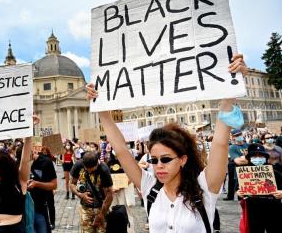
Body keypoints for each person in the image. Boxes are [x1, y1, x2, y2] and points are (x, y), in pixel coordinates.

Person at [86, 54, 247, 232]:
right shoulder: (150, 188)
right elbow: (122, 150)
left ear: (183, 159)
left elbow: (220, 143)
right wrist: (100, 108)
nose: (158, 166)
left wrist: (231, 87)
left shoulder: (205, 188)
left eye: (165, 159)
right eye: (154, 160)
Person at [236, 143, 282, 232]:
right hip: (253, 210)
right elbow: (238, 190)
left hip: (274, 209)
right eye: (254, 156)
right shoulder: (244, 173)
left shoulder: (276, 171)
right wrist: (239, 193)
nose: (258, 158)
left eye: (260, 155)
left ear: (265, 157)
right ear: (249, 158)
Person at [70, 151, 113, 233]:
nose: (89, 172)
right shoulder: (78, 165)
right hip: (85, 209)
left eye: (92, 170)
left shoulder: (104, 169)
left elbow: (109, 195)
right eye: (87, 169)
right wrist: (81, 195)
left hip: (101, 208)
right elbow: (71, 184)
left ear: (97, 164)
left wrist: (101, 214)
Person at [29, 147, 58, 233]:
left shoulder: (46, 162)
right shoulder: (20, 163)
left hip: (41, 204)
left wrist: (36, 184)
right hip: (27, 206)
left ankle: (52, 222)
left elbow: (54, 185)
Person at [224, 129, 249, 201]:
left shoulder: (248, 145)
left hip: (248, 171)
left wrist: (243, 158)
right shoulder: (232, 147)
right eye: (237, 135)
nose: (239, 136)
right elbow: (239, 161)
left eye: (240, 134)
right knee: (233, 182)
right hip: (238, 170)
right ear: (233, 137)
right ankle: (230, 196)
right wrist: (249, 158)